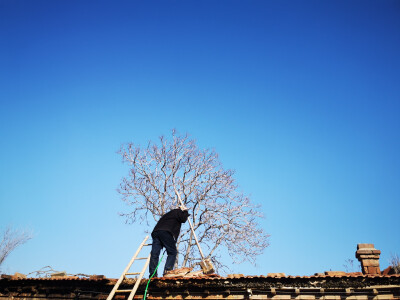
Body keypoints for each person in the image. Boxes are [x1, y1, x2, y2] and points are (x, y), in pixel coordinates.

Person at [149, 206, 189, 277]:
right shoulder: (178, 212)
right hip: (165, 232)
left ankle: (152, 274)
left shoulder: (168, 214)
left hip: (156, 232)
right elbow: (183, 219)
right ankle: (168, 272)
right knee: (172, 252)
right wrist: (185, 211)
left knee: (155, 254)